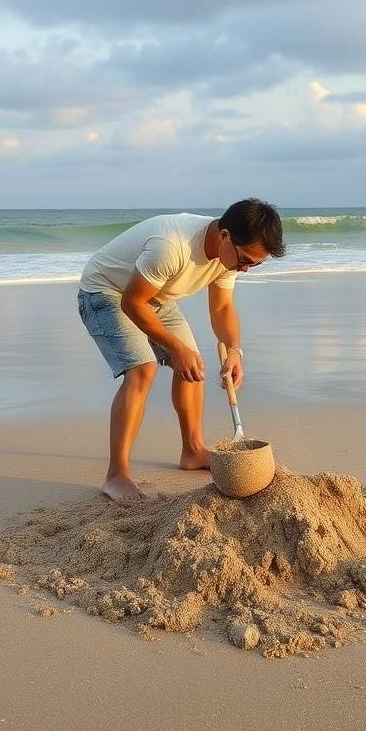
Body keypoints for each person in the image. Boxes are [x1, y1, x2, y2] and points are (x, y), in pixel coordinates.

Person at [77, 198, 286, 503]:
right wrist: (175, 348)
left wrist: (234, 351)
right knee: (143, 369)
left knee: (193, 365)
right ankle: (116, 475)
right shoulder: (171, 246)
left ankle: (192, 450)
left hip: (155, 296)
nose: (246, 269)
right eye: (245, 261)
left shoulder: (228, 256)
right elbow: (132, 303)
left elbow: (222, 307)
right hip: (105, 292)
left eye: (255, 264)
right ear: (225, 235)